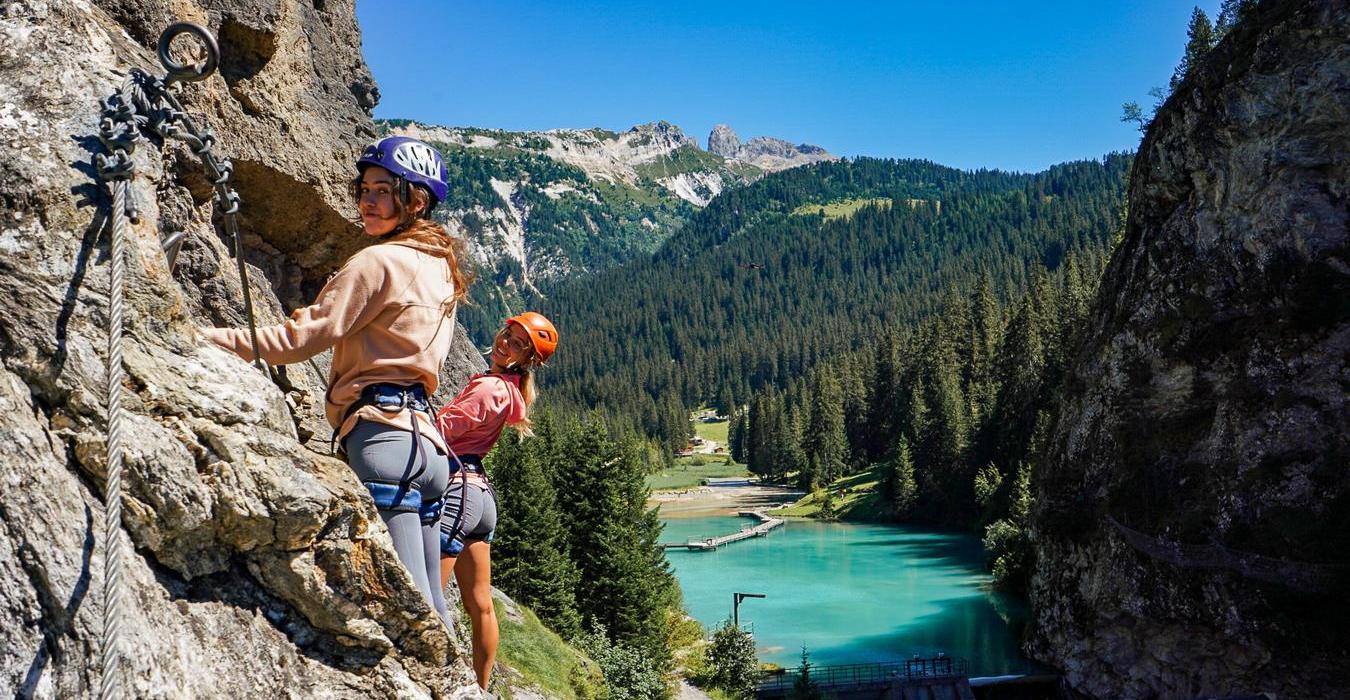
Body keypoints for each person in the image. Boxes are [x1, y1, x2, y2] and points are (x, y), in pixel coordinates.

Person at [201, 136, 471, 627]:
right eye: (364, 189)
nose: (368, 200)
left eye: (384, 190)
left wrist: (209, 338)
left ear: (415, 199)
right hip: (428, 450)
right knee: (436, 609)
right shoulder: (441, 270)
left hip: (384, 438)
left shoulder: (376, 262)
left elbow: (300, 340)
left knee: (411, 611)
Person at [435, 311, 558, 690]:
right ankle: (480, 690)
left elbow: (442, 430)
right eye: (509, 334)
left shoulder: (490, 388)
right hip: (479, 496)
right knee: (480, 603)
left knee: (426, 594)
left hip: (457, 493)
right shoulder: (507, 389)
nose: (506, 342)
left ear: (526, 359)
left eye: (518, 343)